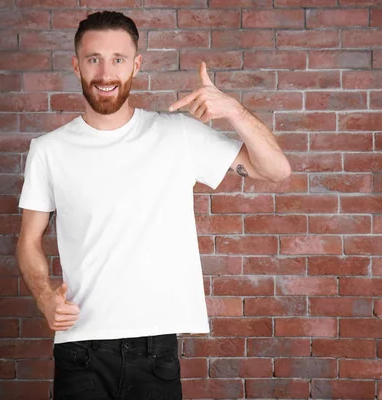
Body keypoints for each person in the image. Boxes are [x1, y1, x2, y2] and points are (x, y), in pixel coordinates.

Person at [16, 10, 291, 400]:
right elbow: (28, 241)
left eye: (118, 59)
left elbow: (276, 170)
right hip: (80, 349)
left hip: (154, 350)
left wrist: (232, 110)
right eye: (94, 59)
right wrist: (44, 296)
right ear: (76, 65)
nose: (105, 73)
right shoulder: (48, 150)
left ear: (136, 65)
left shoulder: (176, 133)